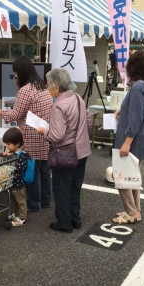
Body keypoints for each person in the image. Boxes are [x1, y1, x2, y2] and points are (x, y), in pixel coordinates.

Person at [0, 56, 53, 212]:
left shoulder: (26, 90)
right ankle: (46, 201)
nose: (15, 75)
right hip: (45, 133)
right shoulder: (43, 86)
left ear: (21, 72)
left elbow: (16, 114)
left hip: (31, 135)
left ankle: (34, 204)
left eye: (16, 72)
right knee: (44, 170)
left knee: (33, 171)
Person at [37, 68, 92, 233]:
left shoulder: (58, 105)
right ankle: (75, 218)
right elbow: (88, 122)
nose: (47, 89)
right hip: (82, 151)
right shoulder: (77, 98)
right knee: (75, 187)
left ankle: (64, 223)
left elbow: (57, 135)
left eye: (48, 86)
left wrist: (43, 132)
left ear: (56, 87)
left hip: (65, 153)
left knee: (62, 189)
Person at [112, 51, 144, 224]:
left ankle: (132, 212)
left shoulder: (138, 87)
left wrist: (127, 142)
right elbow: (142, 109)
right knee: (132, 176)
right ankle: (135, 210)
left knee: (123, 176)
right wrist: (123, 109)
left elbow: (136, 118)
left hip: (134, 139)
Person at [3, 128, 28, 227]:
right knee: (13, 199)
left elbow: (21, 167)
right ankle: (16, 214)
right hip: (13, 182)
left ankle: (22, 218)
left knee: (21, 201)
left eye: (9, 144)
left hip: (19, 183)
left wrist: (10, 165)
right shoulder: (14, 154)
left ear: (17, 144)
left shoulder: (21, 155)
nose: (7, 146)